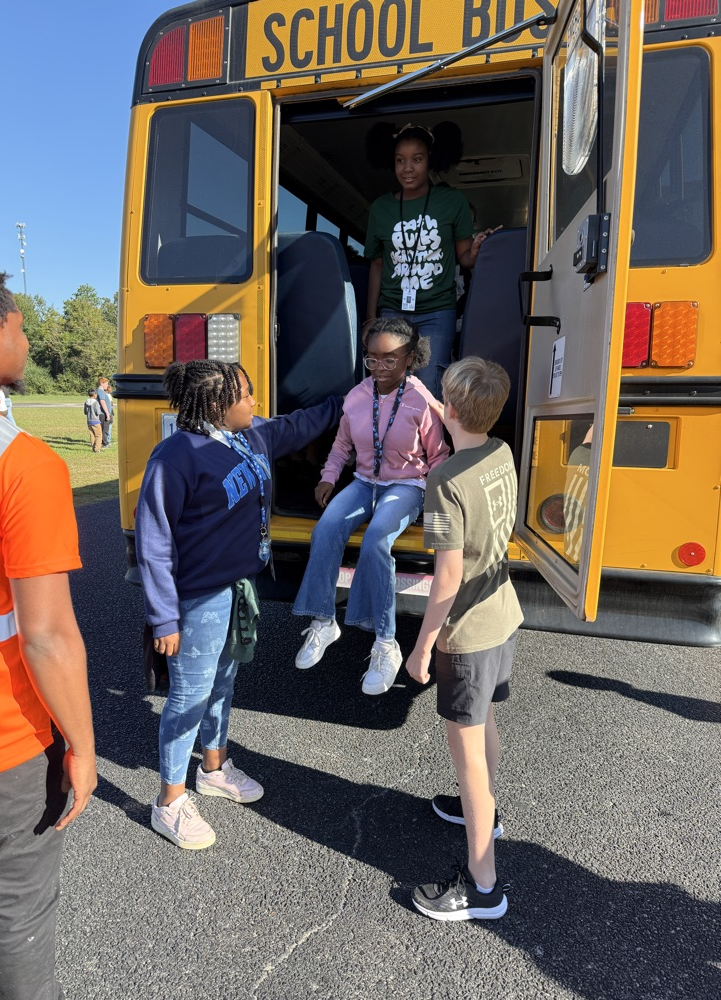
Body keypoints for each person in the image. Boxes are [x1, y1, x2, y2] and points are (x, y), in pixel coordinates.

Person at [135, 359, 341, 850]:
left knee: (223, 684)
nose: (255, 402)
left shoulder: (248, 437)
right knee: (189, 695)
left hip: (237, 588)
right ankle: (169, 801)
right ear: (217, 404)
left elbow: (296, 426)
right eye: (246, 395)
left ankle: (213, 768)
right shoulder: (175, 457)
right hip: (197, 597)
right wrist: (163, 618)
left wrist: (349, 399)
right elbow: (153, 543)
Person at [0, 242, 97, 997]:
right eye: (21, 326)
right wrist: (81, 745)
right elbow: (48, 635)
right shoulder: (22, 463)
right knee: (16, 906)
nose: (26, 338)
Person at [405, 356, 523, 921]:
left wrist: (423, 644)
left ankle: (483, 888)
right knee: (485, 723)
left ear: (451, 410)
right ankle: (485, 815)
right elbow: (466, 427)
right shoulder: (500, 452)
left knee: (467, 758)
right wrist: (441, 405)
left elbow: (447, 578)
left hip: (468, 632)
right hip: (502, 613)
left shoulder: (443, 481)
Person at [292, 316, 449, 695]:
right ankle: (324, 621)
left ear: (410, 358)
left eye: (389, 359)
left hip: (407, 484)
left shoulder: (421, 401)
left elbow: (438, 456)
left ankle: (386, 642)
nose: (379, 367)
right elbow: (342, 445)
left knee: (377, 538)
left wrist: (438, 500)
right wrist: (329, 476)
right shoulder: (357, 397)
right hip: (364, 482)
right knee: (325, 529)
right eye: (372, 359)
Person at [363, 121, 501, 399]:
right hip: (393, 310)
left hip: (437, 312)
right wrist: (370, 319)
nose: (407, 168)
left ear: (431, 160)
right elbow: (377, 265)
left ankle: (428, 430)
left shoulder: (452, 201)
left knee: (428, 384)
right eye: (400, 160)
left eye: (417, 159)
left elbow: (465, 259)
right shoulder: (381, 208)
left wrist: (477, 250)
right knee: (388, 382)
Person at [84, 388, 102, 452]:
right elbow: (98, 412)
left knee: (92, 434)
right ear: (94, 395)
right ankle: (97, 449)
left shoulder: (86, 402)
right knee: (99, 435)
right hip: (95, 420)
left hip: (89, 420)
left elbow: (85, 412)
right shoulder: (96, 402)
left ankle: (93, 447)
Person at [96, 375, 112, 447]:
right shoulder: (101, 391)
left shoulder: (101, 391)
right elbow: (102, 402)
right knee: (104, 429)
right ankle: (104, 443)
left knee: (105, 428)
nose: (107, 385)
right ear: (102, 383)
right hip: (103, 414)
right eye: (106, 383)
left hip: (104, 413)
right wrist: (107, 414)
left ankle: (104, 442)